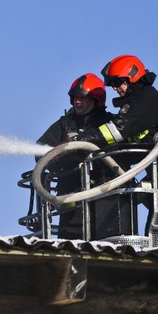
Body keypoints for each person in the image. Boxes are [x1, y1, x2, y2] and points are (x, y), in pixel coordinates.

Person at [76, 54, 158, 227]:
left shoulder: (146, 100)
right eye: (112, 85)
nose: (115, 88)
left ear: (131, 76)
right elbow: (131, 145)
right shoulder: (139, 101)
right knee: (157, 230)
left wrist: (80, 142)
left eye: (117, 83)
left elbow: (116, 130)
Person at [36, 73, 112, 239]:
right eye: (74, 97)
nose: (77, 101)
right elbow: (40, 150)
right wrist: (61, 156)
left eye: (82, 98)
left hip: (103, 193)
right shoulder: (65, 124)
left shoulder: (108, 123)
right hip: (71, 194)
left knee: (105, 242)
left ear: (95, 99)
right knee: (70, 244)